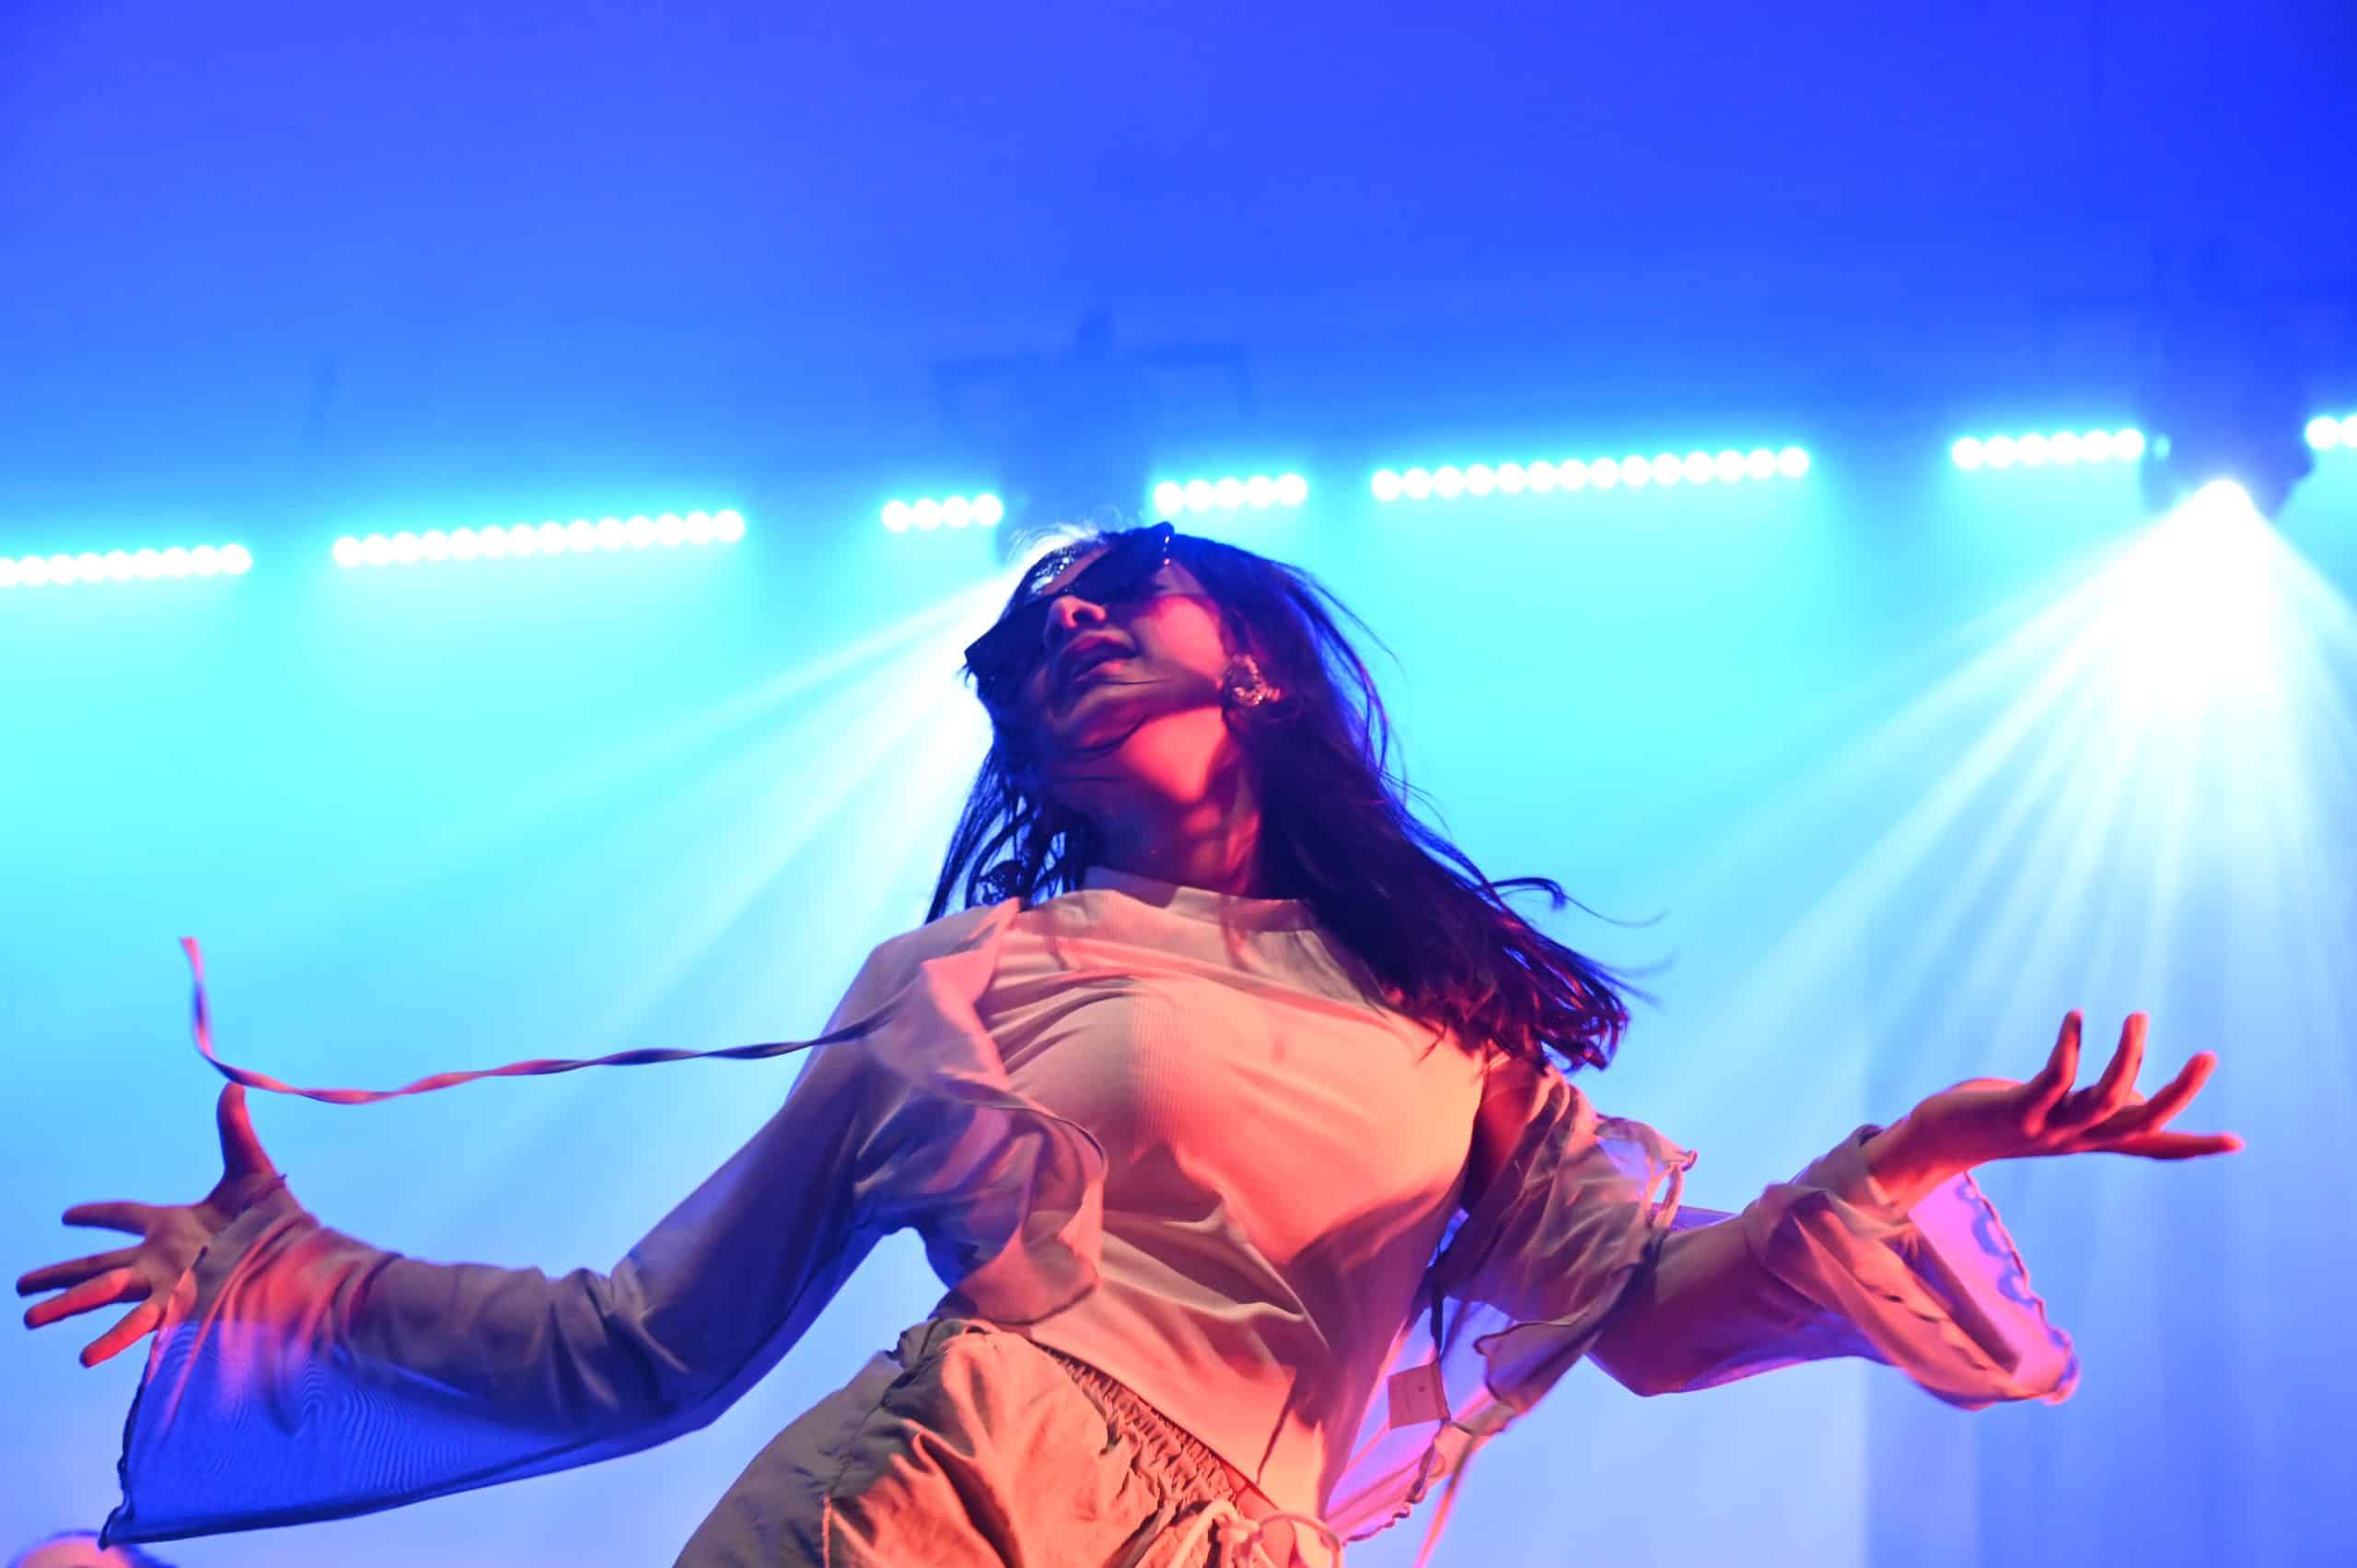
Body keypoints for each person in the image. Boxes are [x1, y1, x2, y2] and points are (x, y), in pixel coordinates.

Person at [17, 520, 2241, 1566]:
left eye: (1109, 593)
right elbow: (649, 1344)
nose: (1060, 628)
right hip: (940, 1503)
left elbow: (1650, 1329)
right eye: (1022, 639)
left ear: (1249, 659)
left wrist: (1908, 1161)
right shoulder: (961, 979)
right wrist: (298, 1283)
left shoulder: (1447, 1016)